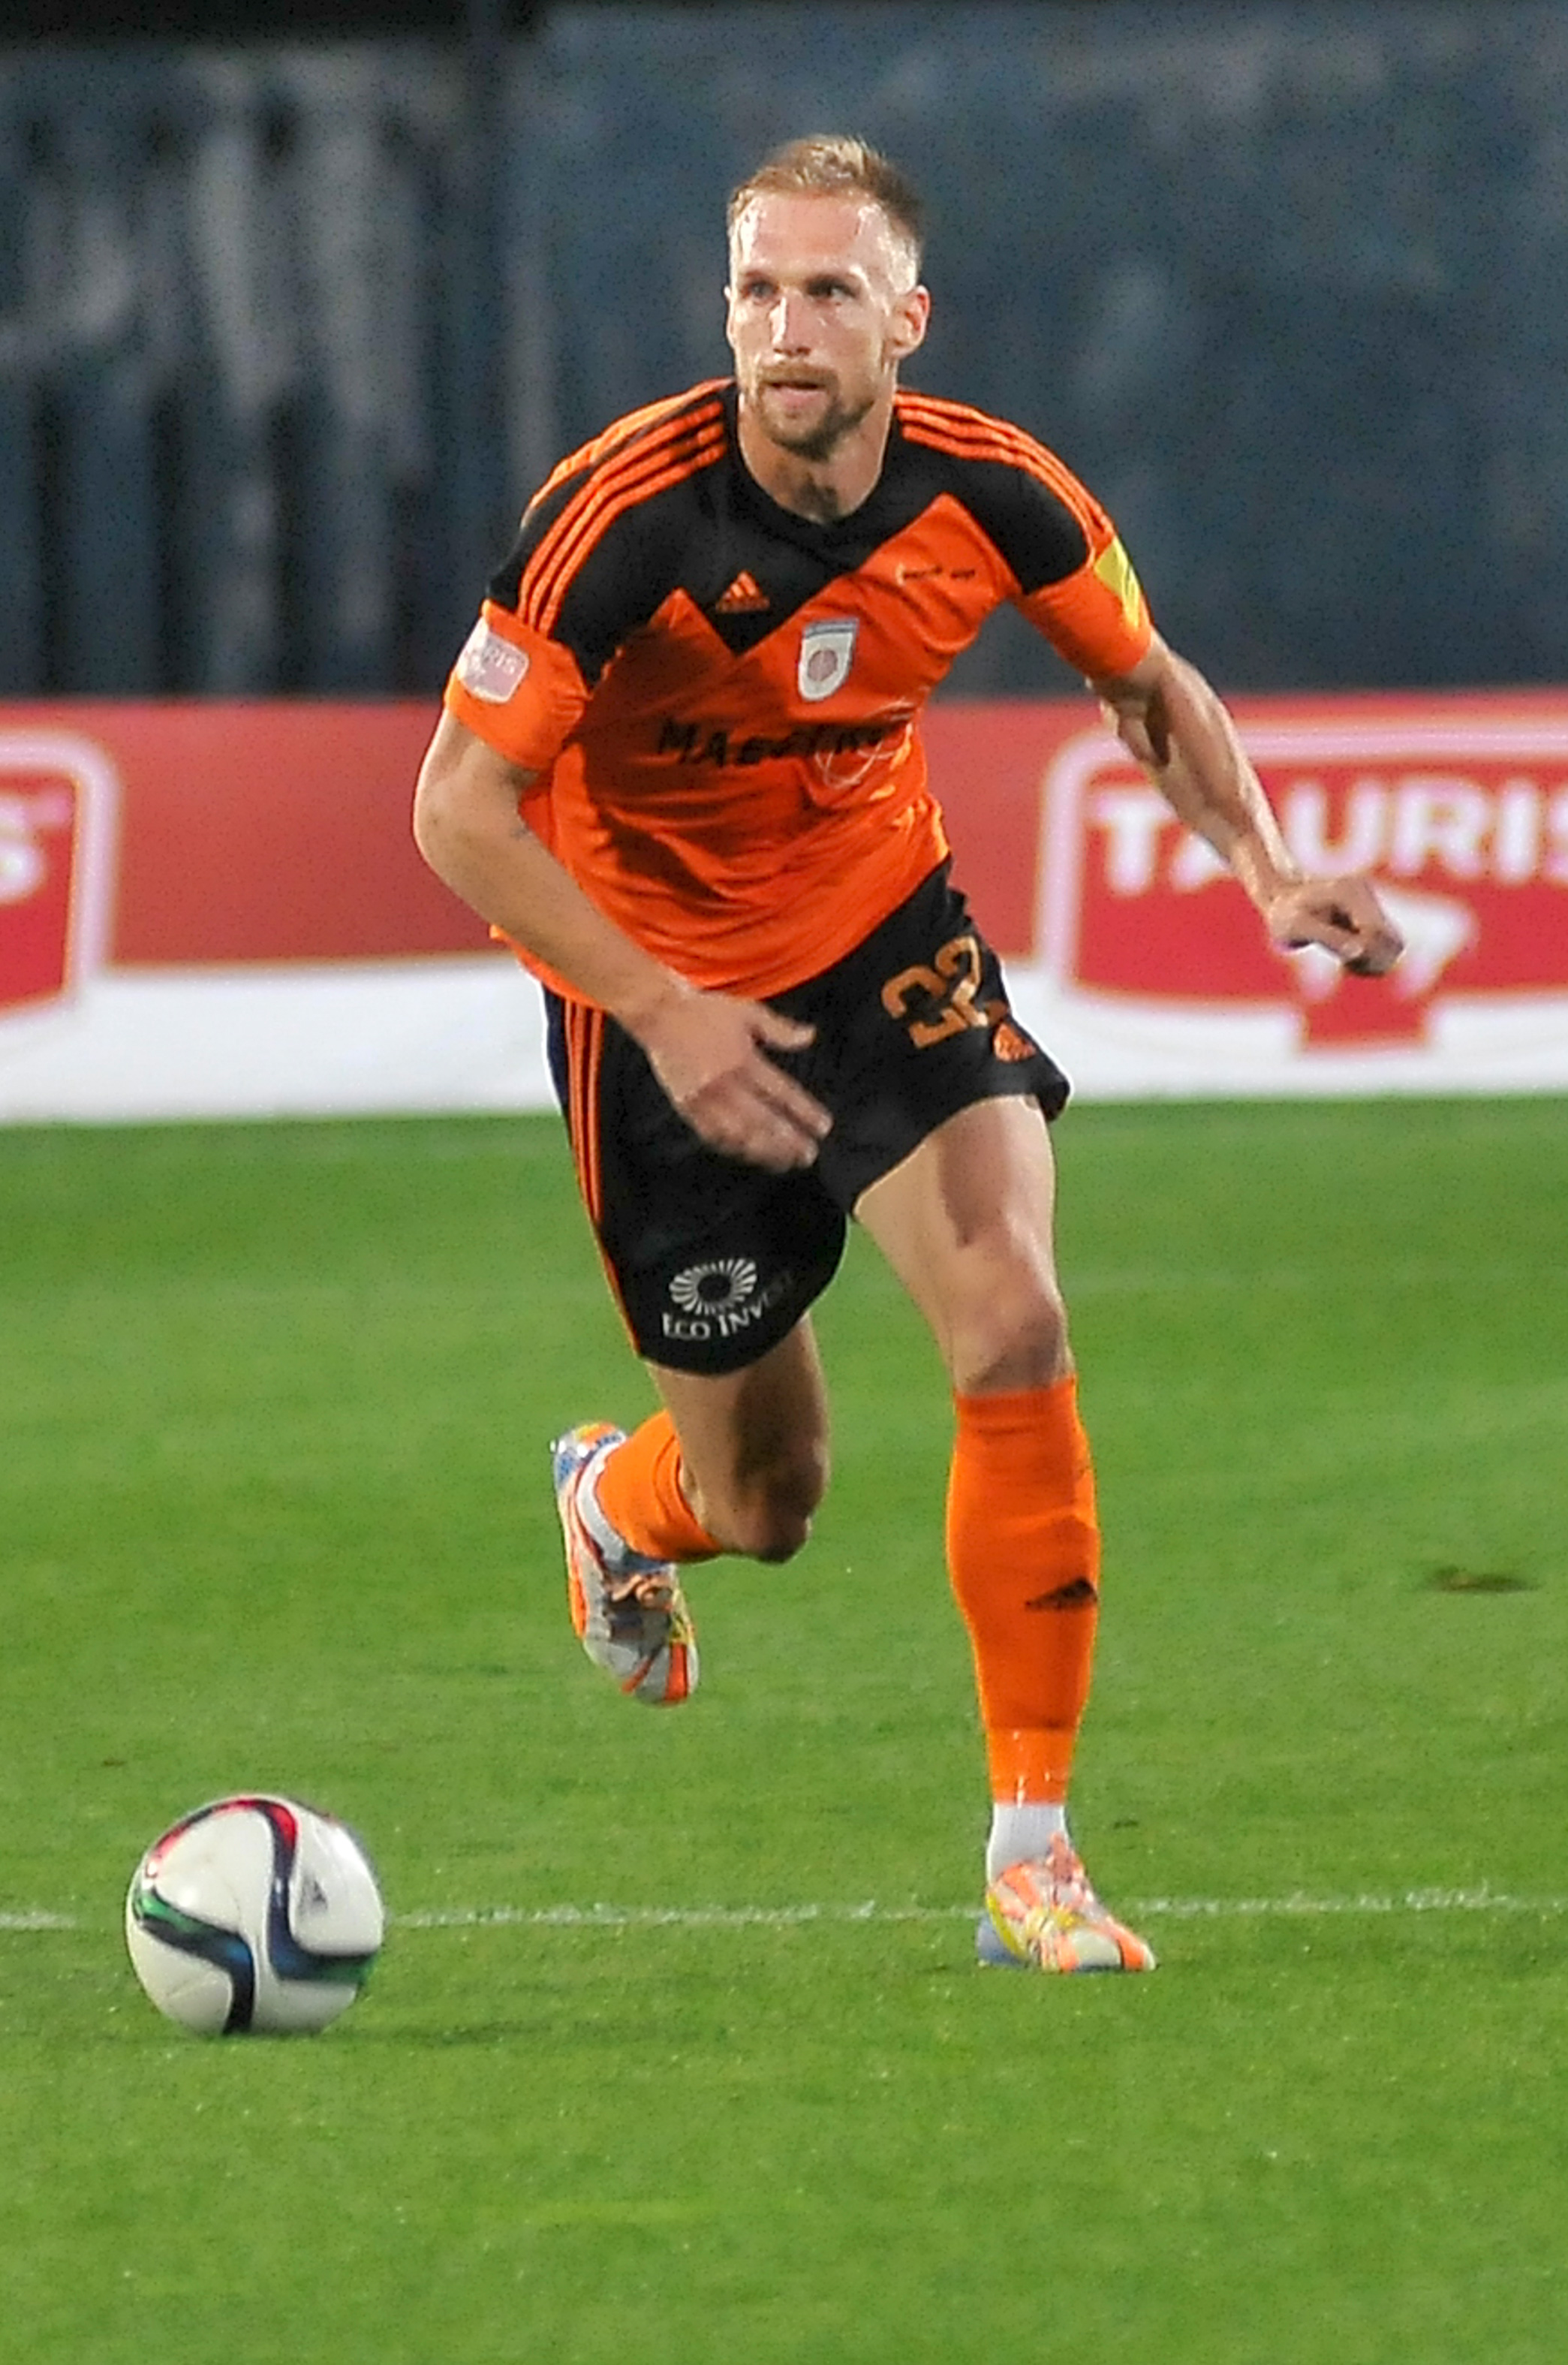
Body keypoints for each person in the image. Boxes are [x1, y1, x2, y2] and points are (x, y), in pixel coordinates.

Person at [413, 134, 1402, 1973]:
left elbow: (1144, 683)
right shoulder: (621, 517)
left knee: (1013, 1319)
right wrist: (659, 1007)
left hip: (885, 943)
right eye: (755, 290)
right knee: (765, 1503)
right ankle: (613, 1501)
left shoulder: (993, 491)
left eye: (828, 291)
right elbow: (458, 809)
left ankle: (1033, 1856)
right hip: (653, 1003)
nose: (784, 328)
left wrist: (1267, 868)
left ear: (906, 321)